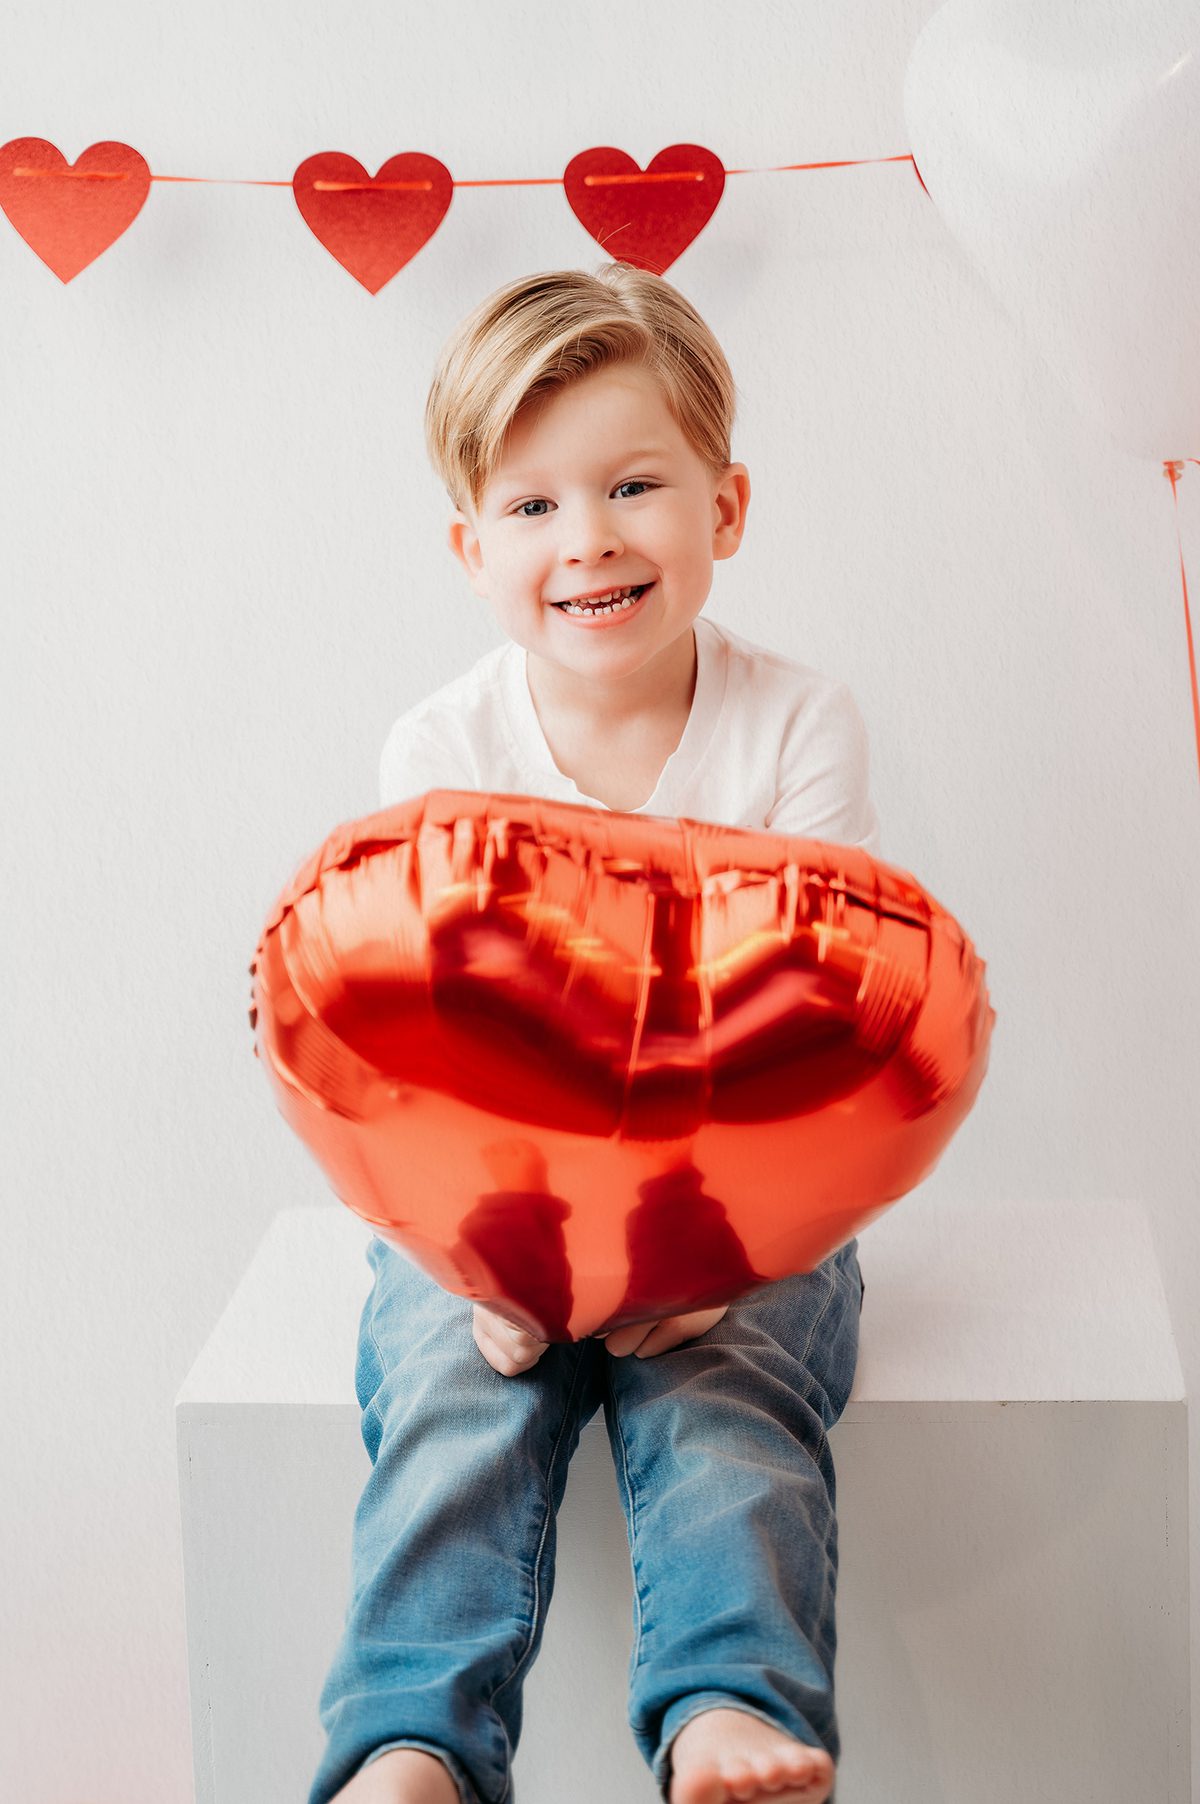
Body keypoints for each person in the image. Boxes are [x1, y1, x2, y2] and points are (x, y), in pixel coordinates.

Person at [308, 263, 879, 1804]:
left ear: (727, 508)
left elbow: (822, 1051)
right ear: (469, 546)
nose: (592, 541)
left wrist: (711, 1263)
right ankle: (410, 1744)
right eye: (535, 506)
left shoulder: (796, 725)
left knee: (728, 1400)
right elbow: (419, 1069)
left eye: (636, 486)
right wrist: (484, 1265)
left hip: (738, 1210)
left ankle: (724, 1711)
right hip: (499, 1212)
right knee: (450, 1396)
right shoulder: (440, 749)